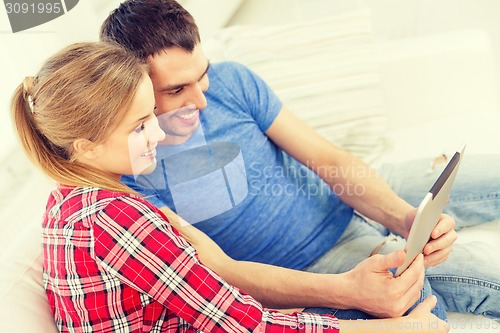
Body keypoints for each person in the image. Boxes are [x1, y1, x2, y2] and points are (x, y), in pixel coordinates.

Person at [100, 0, 500, 322]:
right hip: (314, 263)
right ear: (129, 87)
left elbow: (327, 159)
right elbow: (221, 272)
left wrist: (403, 218)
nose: (202, 100)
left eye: (201, 75)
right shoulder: (130, 173)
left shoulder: (231, 81)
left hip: (345, 199)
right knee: (460, 290)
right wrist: (347, 288)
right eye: (176, 90)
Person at [11, 40, 450, 333]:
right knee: (409, 298)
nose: (158, 135)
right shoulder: (116, 217)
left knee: (399, 279)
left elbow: (216, 283)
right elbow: (247, 324)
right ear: (85, 147)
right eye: (141, 125)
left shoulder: (71, 202)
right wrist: (394, 329)